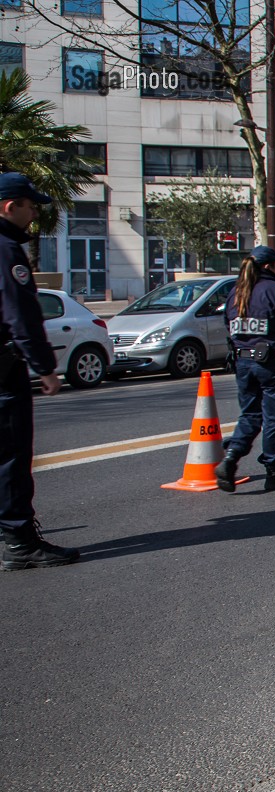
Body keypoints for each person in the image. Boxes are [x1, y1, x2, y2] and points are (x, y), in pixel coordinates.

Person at [0, 173, 81, 570]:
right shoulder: (6, 250)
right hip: (3, 372)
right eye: (30, 206)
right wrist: (45, 367)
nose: (34, 214)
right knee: (11, 456)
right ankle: (19, 543)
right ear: (8, 206)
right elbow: (20, 314)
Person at [216, 245, 275, 492]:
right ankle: (274, 470)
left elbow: (229, 324)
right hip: (272, 363)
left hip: (243, 361)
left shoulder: (236, 292)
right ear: (269, 266)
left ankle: (231, 458)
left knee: (250, 414)